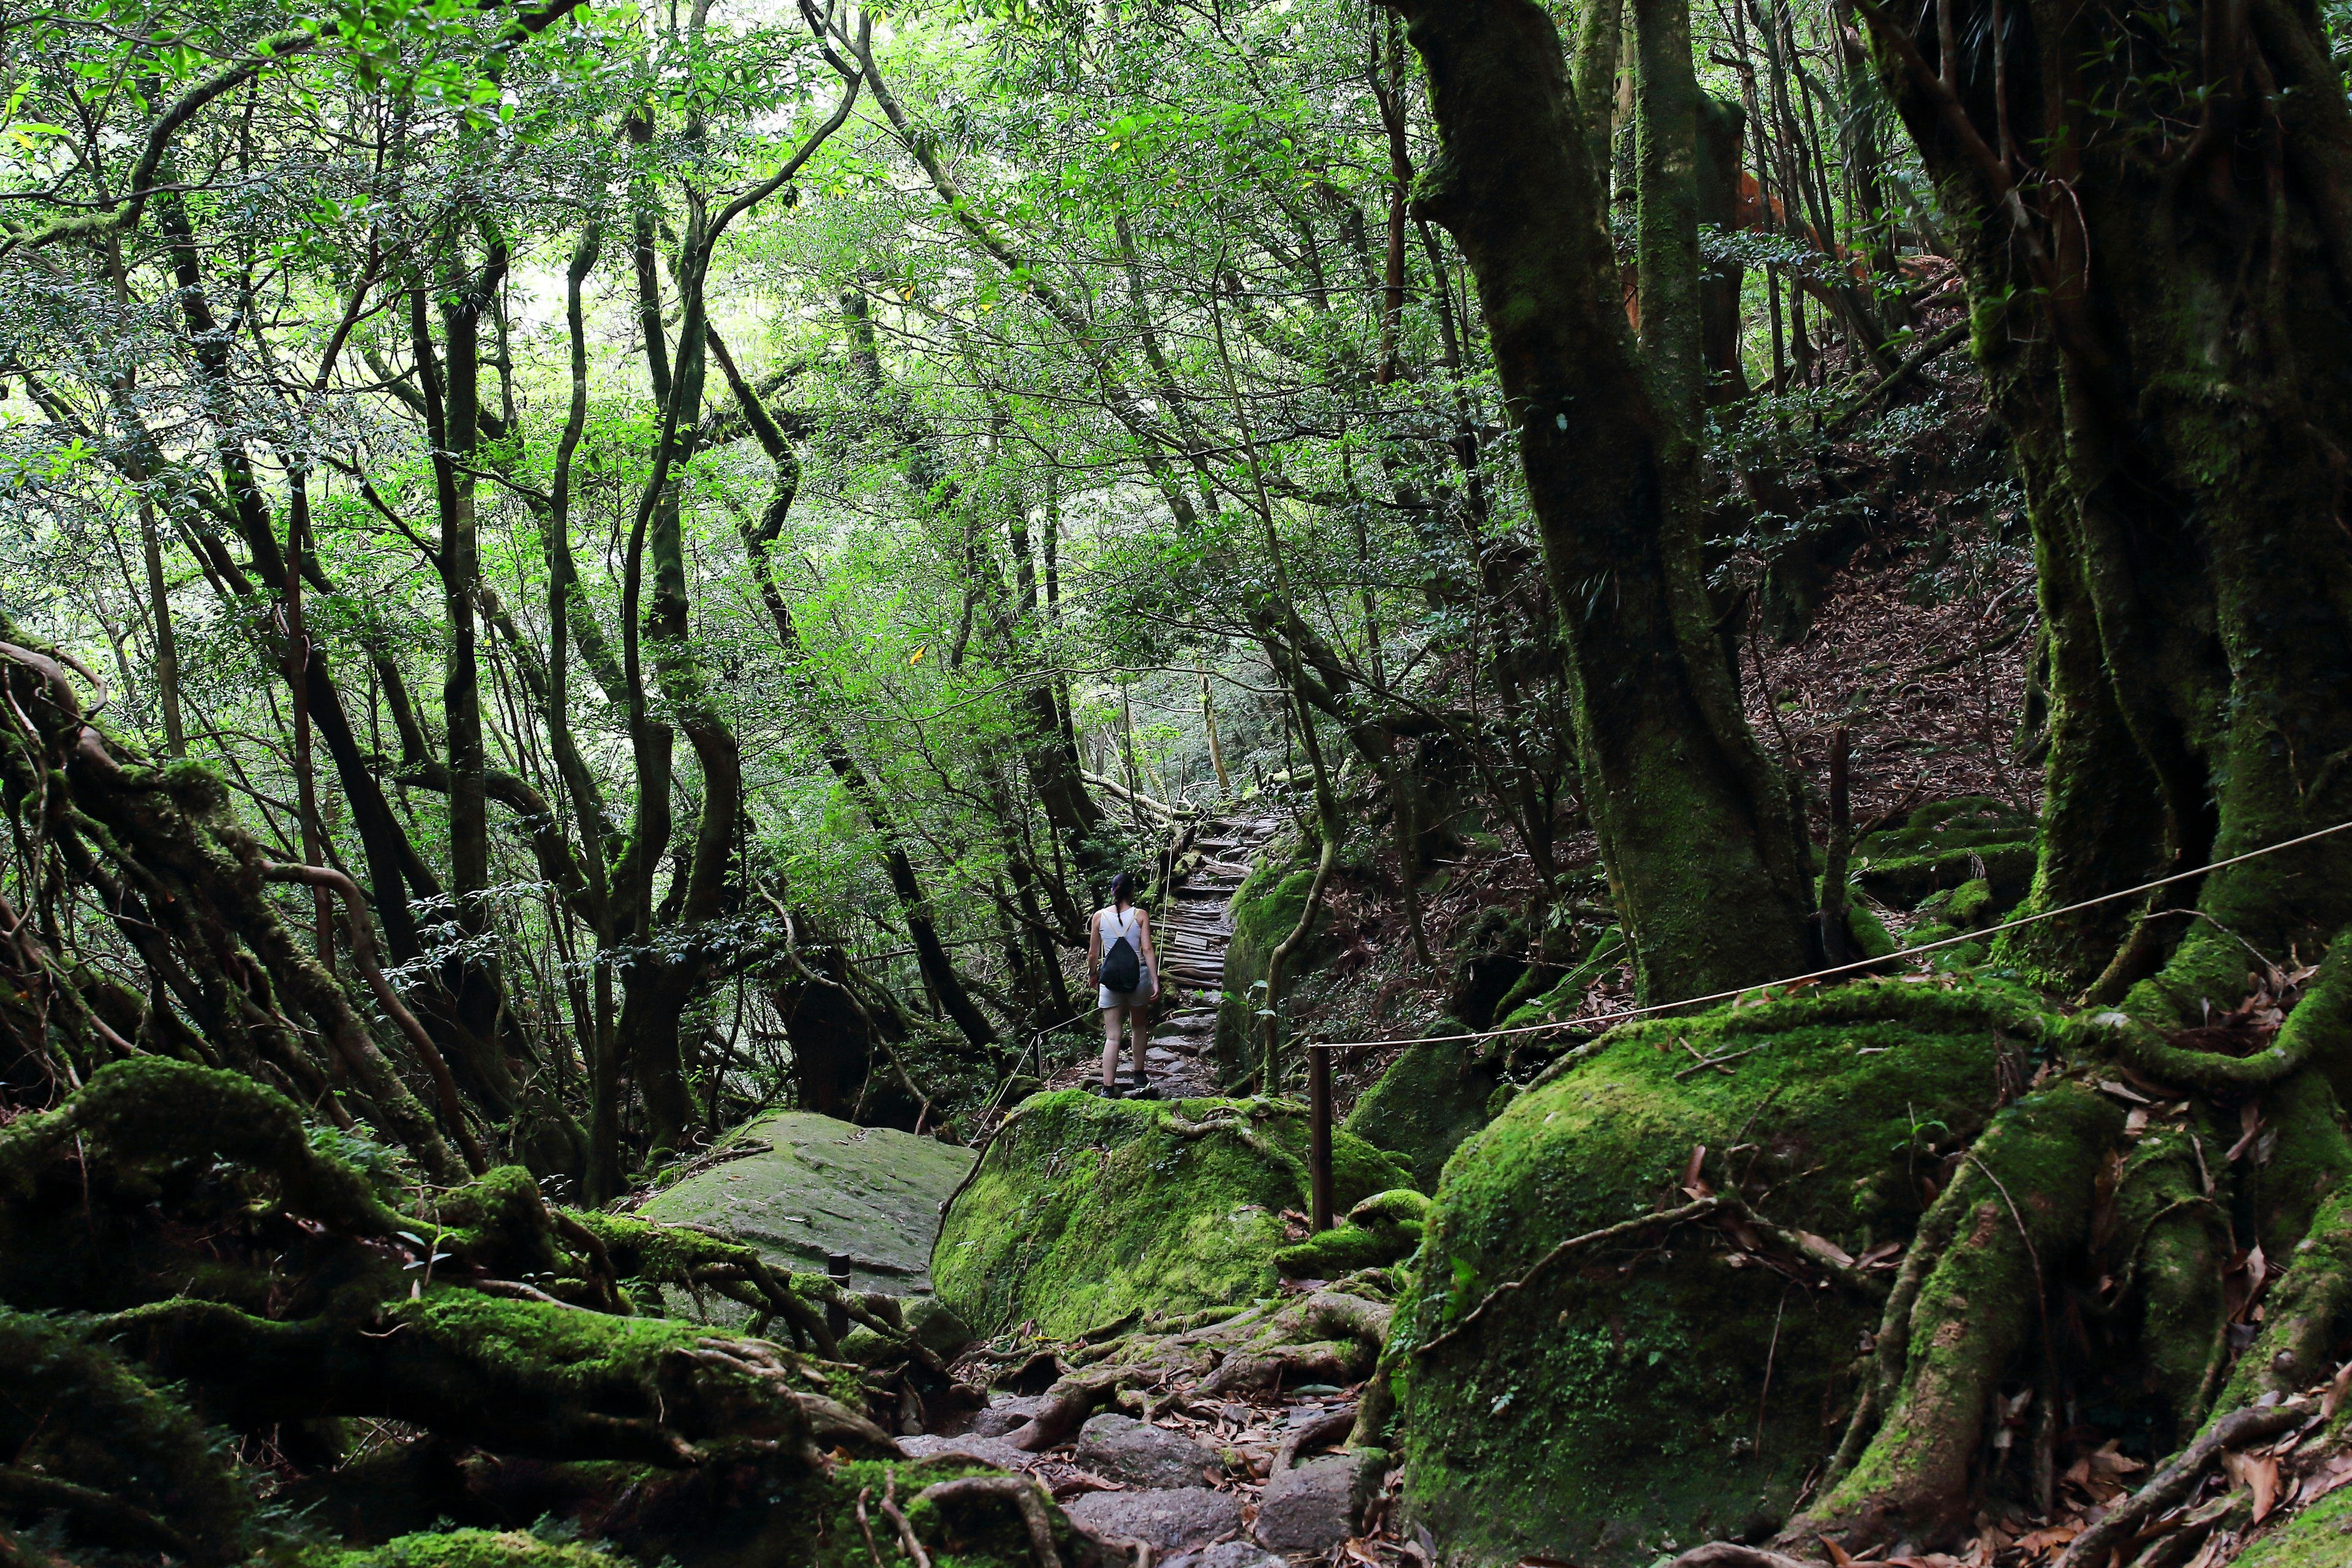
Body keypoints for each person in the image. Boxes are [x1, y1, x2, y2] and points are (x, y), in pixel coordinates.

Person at [1088, 870, 1160, 1094]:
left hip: (1110, 981)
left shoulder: (1099, 917)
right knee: (1138, 1027)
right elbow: (1147, 949)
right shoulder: (1140, 915)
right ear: (1132, 892)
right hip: (1138, 978)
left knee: (1112, 1036)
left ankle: (1108, 1088)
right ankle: (1139, 1077)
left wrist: (1093, 975)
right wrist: (1155, 981)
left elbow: (1093, 953)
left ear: (1112, 891)